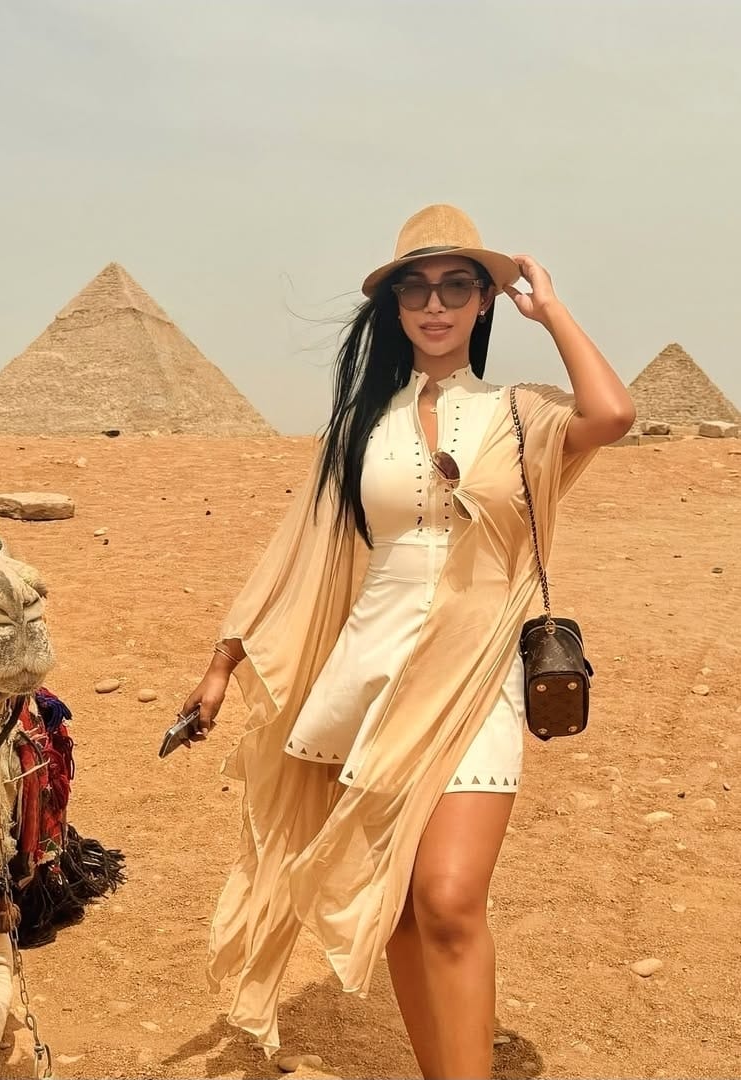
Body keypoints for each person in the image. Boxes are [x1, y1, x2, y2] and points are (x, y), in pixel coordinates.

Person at [180, 204, 634, 1079]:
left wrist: (552, 310)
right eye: (415, 289)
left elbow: (611, 414)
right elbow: (297, 551)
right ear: (393, 308)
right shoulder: (361, 428)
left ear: (482, 303)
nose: (435, 304)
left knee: (450, 899)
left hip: (474, 678)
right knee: (393, 904)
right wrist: (222, 663)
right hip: (372, 668)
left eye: (456, 286)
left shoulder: (520, 417)